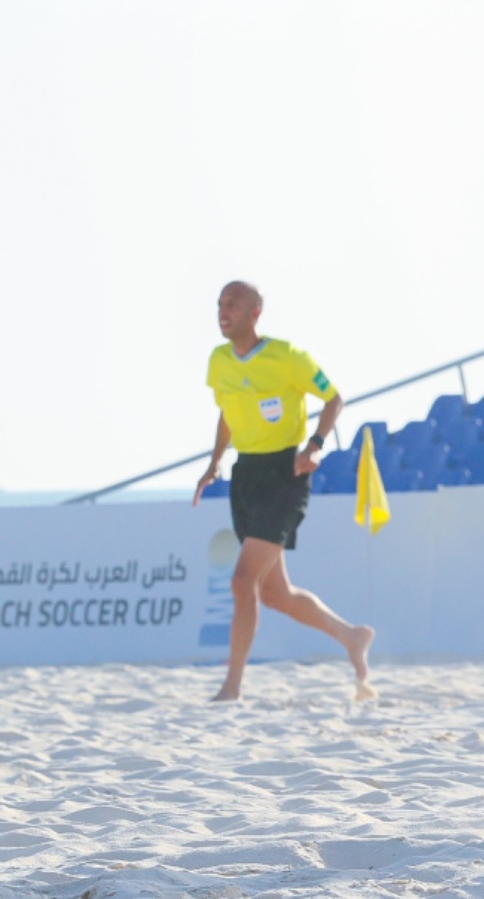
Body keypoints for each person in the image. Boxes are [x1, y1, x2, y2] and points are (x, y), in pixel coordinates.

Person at [192, 280, 376, 703]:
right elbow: (227, 414)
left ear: (255, 312)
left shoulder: (287, 356)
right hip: (245, 474)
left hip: (285, 473)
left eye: (233, 304)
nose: (223, 311)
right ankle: (352, 637)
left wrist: (315, 446)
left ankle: (232, 686)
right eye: (220, 304)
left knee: (242, 582)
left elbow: (334, 399)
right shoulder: (218, 361)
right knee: (275, 593)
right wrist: (215, 461)